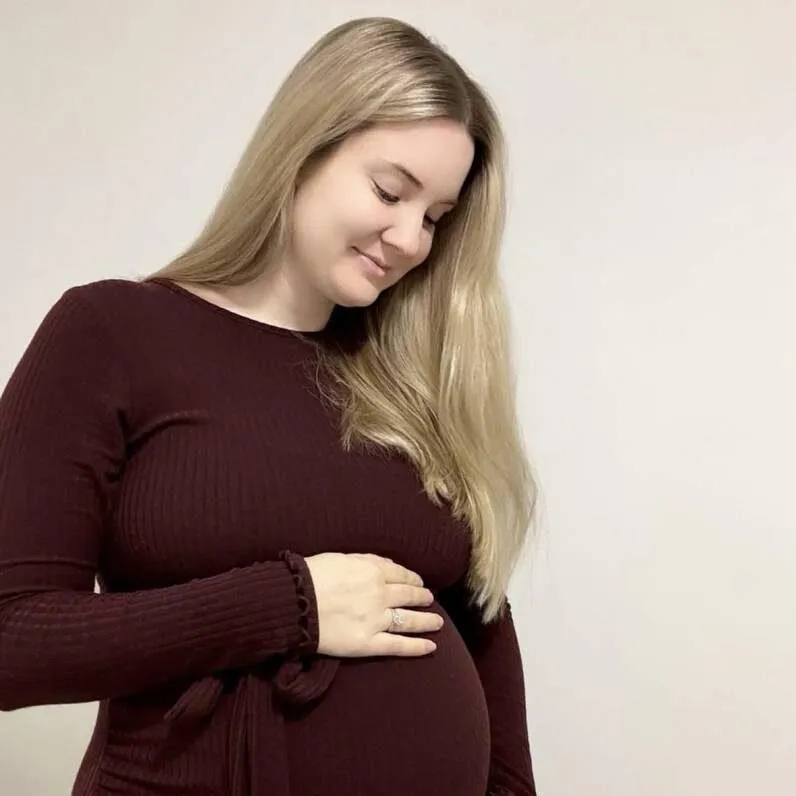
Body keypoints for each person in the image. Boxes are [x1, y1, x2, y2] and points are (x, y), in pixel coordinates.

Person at [0, 15, 539, 796]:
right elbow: (11, 639)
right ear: (303, 149)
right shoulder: (112, 334)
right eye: (390, 191)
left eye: (434, 218)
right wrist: (290, 605)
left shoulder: (407, 379)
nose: (410, 239)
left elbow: (481, 621)